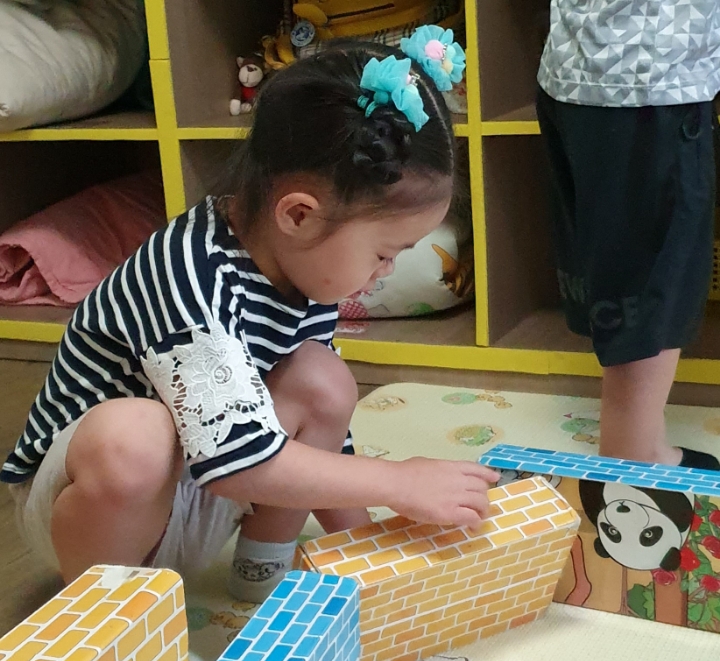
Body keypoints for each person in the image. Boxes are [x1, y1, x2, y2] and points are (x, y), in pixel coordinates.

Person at [1, 31, 498, 602]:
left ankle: (261, 577)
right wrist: (399, 482)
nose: (385, 272)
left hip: (200, 482)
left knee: (323, 378)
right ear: (300, 215)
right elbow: (235, 462)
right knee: (135, 437)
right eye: (384, 253)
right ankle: (110, 617)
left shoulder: (304, 268)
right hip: (92, 507)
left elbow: (315, 441)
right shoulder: (191, 272)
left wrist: (376, 558)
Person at [537, 2, 720, 470]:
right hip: (653, 78)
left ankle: (643, 438)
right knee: (653, 281)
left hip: (581, 67)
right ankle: (634, 455)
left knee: (623, 277)